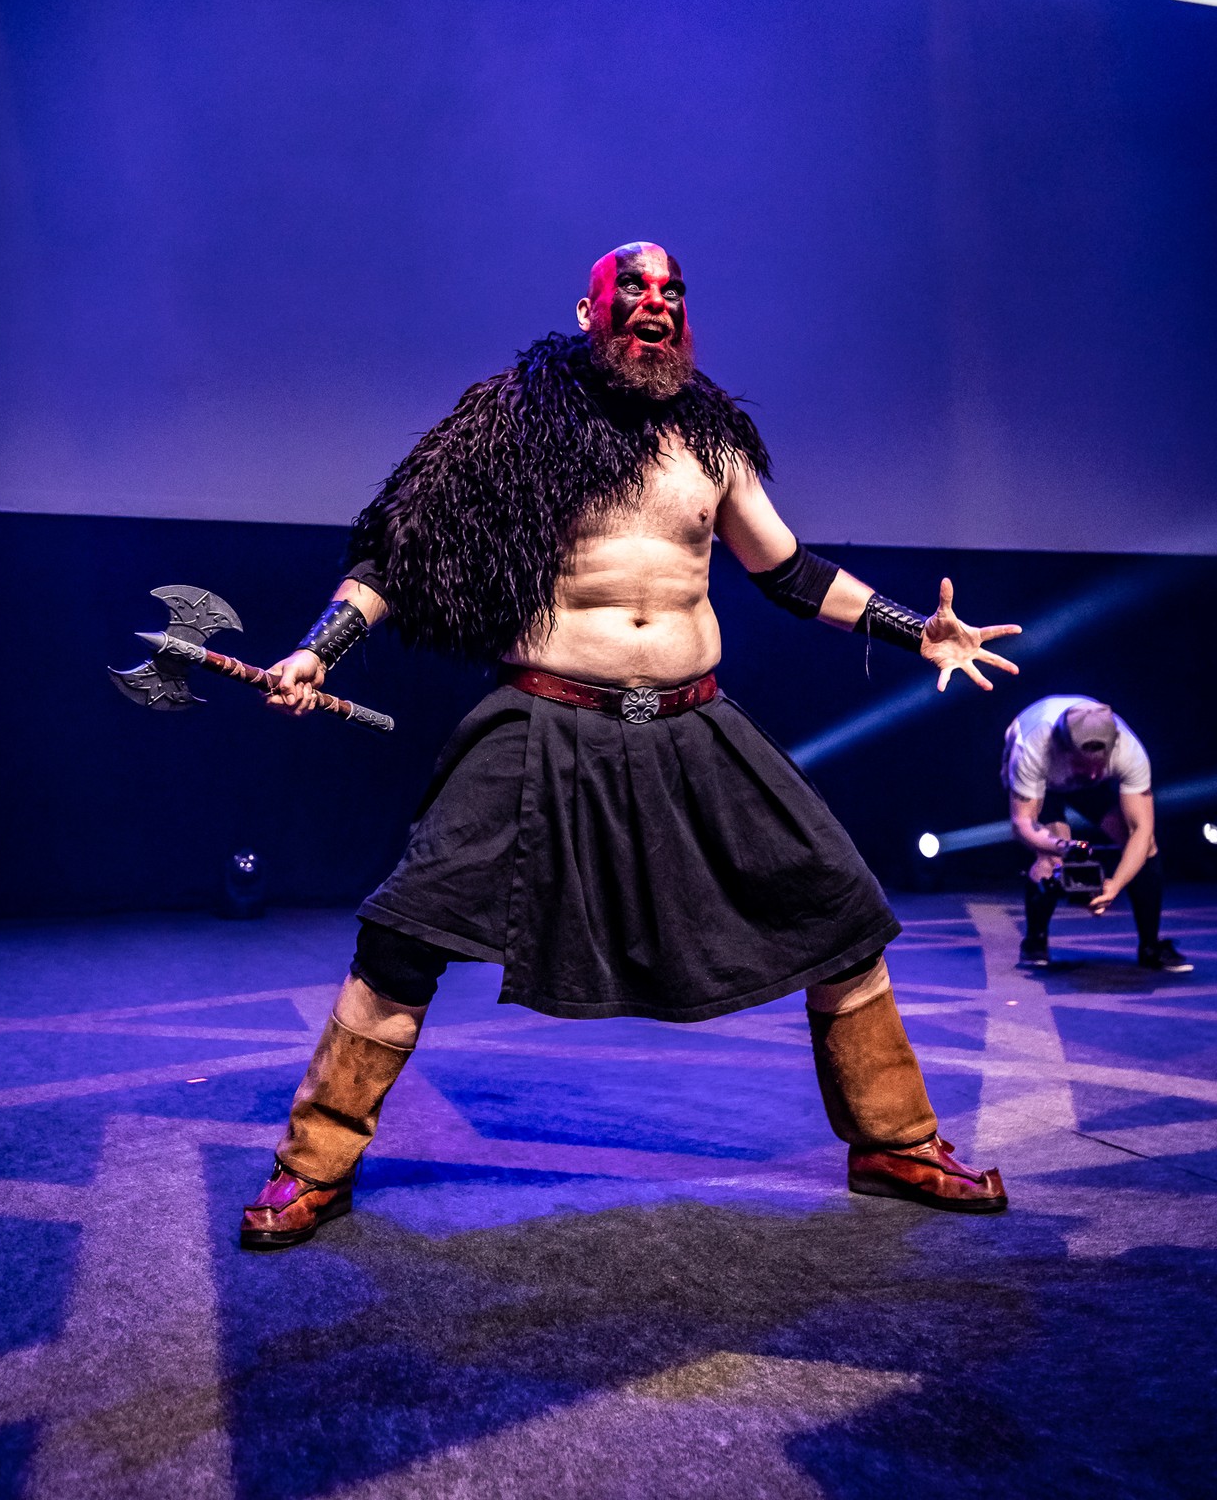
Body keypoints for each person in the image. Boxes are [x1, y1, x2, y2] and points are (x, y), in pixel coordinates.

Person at [240, 243, 1023, 1251]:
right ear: (588, 311)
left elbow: (788, 573)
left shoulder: (712, 441)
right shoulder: (515, 425)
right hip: (543, 720)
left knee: (841, 911)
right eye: (634, 291)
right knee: (405, 932)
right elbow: (395, 552)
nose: (654, 305)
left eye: (671, 294)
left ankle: (895, 1143)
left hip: (692, 723)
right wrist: (317, 652)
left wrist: (918, 632)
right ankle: (313, 1163)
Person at [1004, 693, 1190, 972]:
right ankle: (1035, 942)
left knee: (1145, 847)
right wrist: (1062, 847)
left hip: (1089, 790)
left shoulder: (1129, 750)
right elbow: (1022, 824)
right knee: (1050, 857)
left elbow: (1142, 831)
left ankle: (1150, 946)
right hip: (1044, 785)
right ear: (1062, 750)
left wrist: (1116, 883)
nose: (1092, 773)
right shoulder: (1032, 747)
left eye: (1099, 765)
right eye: (1083, 763)